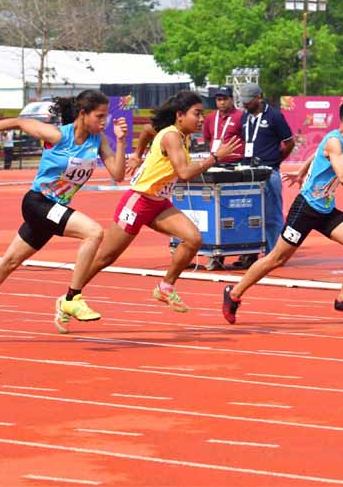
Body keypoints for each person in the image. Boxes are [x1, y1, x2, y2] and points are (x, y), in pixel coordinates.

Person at [0, 90, 127, 342]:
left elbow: (118, 174)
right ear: (83, 114)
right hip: (37, 203)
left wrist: (121, 142)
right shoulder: (58, 135)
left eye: (106, 116)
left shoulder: (98, 141)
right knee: (93, 232)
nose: (104, 121)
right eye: (99, 116)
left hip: (53, 210)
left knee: (9, 262)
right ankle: (72, 297)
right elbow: (19, 122)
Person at [68, 91, 240, 328]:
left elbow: (149, 130)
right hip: (138, 201)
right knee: (105, 257)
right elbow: (184, 173)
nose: (201, 119)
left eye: (202, 114)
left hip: (158, 203)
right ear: (180, 115)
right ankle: (70, 296)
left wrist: (138, 155)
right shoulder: (171, 136)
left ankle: (165, 286)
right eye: (197, 114)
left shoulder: (180, 134)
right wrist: (215, 157)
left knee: (193, 238)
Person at [222, 97, 343, 323]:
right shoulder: (335, 142)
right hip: (306, 209)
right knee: (276, 259)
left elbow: (316, 153)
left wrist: (301, 172)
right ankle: (234, 293)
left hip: (325, 209)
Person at [236, 84, 293, 268]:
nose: (245, 104)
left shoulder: (274, 116)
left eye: (248, 101)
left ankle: (274, 255)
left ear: (259, 97)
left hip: (268, 172)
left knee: (271, 215)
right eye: (243, 101)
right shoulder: (245, 117)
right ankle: (249, 253)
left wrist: (275, 160)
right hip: (247, 172)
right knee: (247, 214)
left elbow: (289, 142)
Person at [201, 86, 245, 270]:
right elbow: (207, 139)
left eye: (224, 99)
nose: (221, 102)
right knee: (216, 211)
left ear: (231, 99)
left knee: (241, 209)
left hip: (236, 166)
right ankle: (216, 253)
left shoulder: (241, 116)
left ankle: (247, 252)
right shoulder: (210, 118)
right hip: (215, 166)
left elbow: (247, 138)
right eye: (218, 99)